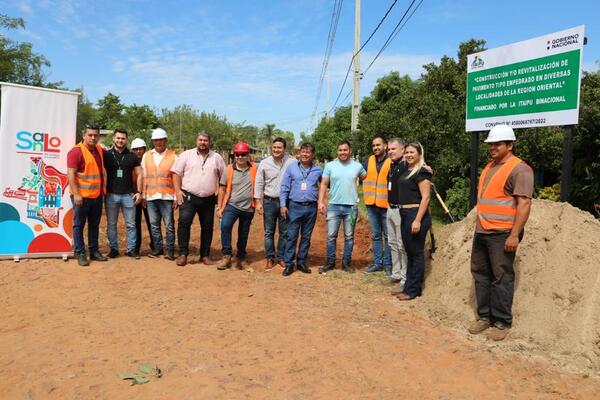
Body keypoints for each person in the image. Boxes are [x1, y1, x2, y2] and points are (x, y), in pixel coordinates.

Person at [468, 125, 533, 341]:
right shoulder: (490, 166)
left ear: (510, 145)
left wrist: (514, 235)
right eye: (490, 144)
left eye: (497, 144)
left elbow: (523, 204)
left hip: (502, 233)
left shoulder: (520, 169)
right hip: (483, 230)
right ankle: (484, 316)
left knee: (502, 276)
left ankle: (502, 321)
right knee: (480, 274)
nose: (492, 147)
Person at [172, 131, 226, 266]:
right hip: (189, 196)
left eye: (205, 140)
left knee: (207, 227)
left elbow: (224, 176)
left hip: (208, 199)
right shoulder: (186, 155)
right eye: (200, 140)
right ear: (196, 141)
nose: (203, 143)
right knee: (184, 223)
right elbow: (176, 173)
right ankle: (183, 254)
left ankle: (205, 255)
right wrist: (177, 191)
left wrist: (219, 192)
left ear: (210, 142)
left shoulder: (217, 157)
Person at [318, 140, 366, 273]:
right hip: (333, 206)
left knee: (349, 236)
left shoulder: (358, 166)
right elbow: (323, 184)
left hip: (351, 207)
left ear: (350, 151)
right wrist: (321, 201)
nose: (342, 152)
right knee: (331, 236)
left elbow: (367, 178)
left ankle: (346, 263)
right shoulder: (330, 166)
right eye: (340, 150)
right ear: (337, 151)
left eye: (345, 150)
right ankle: (330, 262)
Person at [392, 142, 432, 301]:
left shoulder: (422, 172)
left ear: (419, 154)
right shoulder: (406, 169)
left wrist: (417, 220)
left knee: (416, 254)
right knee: (410, 253)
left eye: (412, 152)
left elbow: (426, 198)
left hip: (415, 214)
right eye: (407, 152)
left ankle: (413, 290)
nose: (408, 155)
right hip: (405, 213)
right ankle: (409, 287)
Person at [66, 125, 108, 266]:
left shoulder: (99, 150)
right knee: (79, 225)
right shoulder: (76, 152)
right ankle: (80, 253)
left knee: (94, 225)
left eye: (95, 135)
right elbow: (70, 173)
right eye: (90, 135)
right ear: (83, 135)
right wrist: (76, 194)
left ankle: (94, 251)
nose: (93, 138)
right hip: (81, 197)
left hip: (96, 196)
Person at [280, 143, 323, 276]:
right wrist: (283, 204)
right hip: (294, 206)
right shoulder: (291, 168)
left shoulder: (318, 170)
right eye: (303, 152)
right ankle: (289, 263)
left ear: (312, 154)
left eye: (308, 152)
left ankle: (302, 261)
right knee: (291, 236)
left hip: (311, 207)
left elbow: (325, 184)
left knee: (306, 236)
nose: (305, 154)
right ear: (300, 153)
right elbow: (284, 187)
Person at [253, 137, 295, 271]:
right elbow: (259, 182)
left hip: (286, 203)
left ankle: (281, 257)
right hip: (269, 201)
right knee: (268, 232)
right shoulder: (264, 163)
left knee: (284, 232)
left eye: (279, 148)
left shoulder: (292, 162)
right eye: (274, 147)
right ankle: (270, 258)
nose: (276, 150)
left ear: (284, 149)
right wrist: (258, 202)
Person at [216, 142, 256, 270]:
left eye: (243, 154)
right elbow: (222, 189)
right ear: (234, 155)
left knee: (243, 233)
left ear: (247, 155)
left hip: (249, 207)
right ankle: (227, 256)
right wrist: (220, 206)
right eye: (237, 154)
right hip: (232, 206)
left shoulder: (255, 169)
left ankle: (241, 258)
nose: (240, 157)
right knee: (225, 226)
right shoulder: (228, 169)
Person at [104, 129, 143, 259]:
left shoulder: (132, 156)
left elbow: (139, 174)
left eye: (123, 138)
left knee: (131, 224)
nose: (120, 141)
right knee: (111, 224)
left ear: (127, 140)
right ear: (113, 139)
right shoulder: (107, 155)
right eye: (118, 138)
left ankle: (131, 250)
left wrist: (139, 192)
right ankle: (114, 249)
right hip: (111, 195)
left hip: (128, 195)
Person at [141, 128, 177, 260]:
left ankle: (171, 251)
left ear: (166, 141)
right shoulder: (147, 156)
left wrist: (175, 197)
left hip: (167, 196)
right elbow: (144, 176)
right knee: (154, 225)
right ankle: (158, 249)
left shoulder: (173, 156)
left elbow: (176, 178)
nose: (158, 142)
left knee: (169, 225)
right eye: (156, 140)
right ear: (152, 141)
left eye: (161, 140)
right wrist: (144, 195)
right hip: (151, 196)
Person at [362, 136, 393, 274]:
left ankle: (388, 264)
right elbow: (353, 171)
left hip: (387, 205)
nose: (376, 148)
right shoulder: (368, 161)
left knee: (388, 236)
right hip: (371, 204)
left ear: (385, 146)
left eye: (378, 145)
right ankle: (377, 263)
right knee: (375, 235)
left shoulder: (392, 161)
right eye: (373, 145)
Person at [386, 138, 409, 289]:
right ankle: (395, 273)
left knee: (402, 245)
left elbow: (422, 166)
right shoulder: (392, 166)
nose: (390, 151)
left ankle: (405, 276)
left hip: (402, 210)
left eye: (393, 149)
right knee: (392, 243)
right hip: (390, 209)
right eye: (389, 149)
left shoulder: (407, 165)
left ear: (402, 150)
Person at [130, 138, 155, 255]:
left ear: (145, 149)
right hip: (134, 196)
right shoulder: (130, 162)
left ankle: (155, 244)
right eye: (135, 149)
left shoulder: (149, 161)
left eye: (140, 149)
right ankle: (136, 246)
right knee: (135, 222)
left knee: (152, 221)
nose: (138, 151)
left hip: (148, 196)